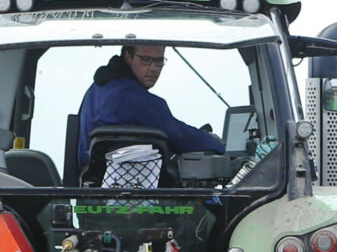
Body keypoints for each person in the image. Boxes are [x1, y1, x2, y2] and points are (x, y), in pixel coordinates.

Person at [77, 44, 226, 172]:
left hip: (92, 187)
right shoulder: (137, 99)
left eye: (159, 61)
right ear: (128, 56)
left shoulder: (95, 90)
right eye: (146, 60)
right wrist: (214, 143)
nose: (153, 68)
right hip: (140, 189)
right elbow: (180, 136)